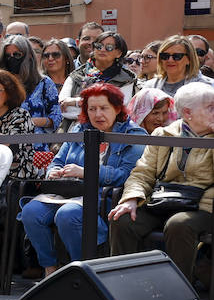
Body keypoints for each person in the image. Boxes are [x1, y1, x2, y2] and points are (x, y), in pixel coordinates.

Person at [19, 84, 145, 278]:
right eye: (92, 109)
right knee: (31, 211)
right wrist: (54, 172)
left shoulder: (133, 135)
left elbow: (126, 175)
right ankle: (50, 270)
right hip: (69, 191)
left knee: (68, 215)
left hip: (103, 197)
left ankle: (82, 272)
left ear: (117, 109)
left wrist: (88, 172)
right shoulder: (80, 128)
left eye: (104, 108)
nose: (97, 114)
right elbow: (57, 161)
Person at [109, 82, 214, 284]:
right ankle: (123, 287)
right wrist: (130, 199)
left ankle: (178, 293)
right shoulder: (163, 134)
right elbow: (143, 172)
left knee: (179, 224)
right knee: (121, 219)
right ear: (187, 112)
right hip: (164, 199)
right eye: (210, 107)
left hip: (203, 205)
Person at [60, 31, 137, 120]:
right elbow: (64, 109)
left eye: (109, 47)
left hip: (110, 130)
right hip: (73, 129)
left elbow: (117, 110)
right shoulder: (77, 75)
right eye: (99, 46)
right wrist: (102, 107)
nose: (102, 50)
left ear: (119, 53)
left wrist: (76, 102)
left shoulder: (125, 79)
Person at [0, 33, 60, 139]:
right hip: (4, 140)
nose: (12, 59)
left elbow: (56, 116)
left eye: (17, 55)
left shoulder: (44, 83)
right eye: (8, 56)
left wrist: (30, 121)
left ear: (29, 56)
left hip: (36, 143)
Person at [145, 35, 211, 96]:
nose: (170, 60)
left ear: (189, 59)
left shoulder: (206, 87)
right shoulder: (150, 87)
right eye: (165, 56)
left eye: (177, 56)